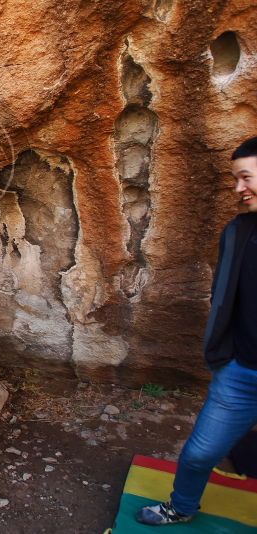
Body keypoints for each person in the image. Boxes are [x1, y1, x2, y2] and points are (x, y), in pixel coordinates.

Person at [136, 136, 257, 525]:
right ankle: (182, 508)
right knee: (200, 453)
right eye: (236, 179)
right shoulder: (237, 233)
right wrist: (222, 354)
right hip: (242, 372)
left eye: (246, 177)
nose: (238, 188)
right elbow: (224, 298)